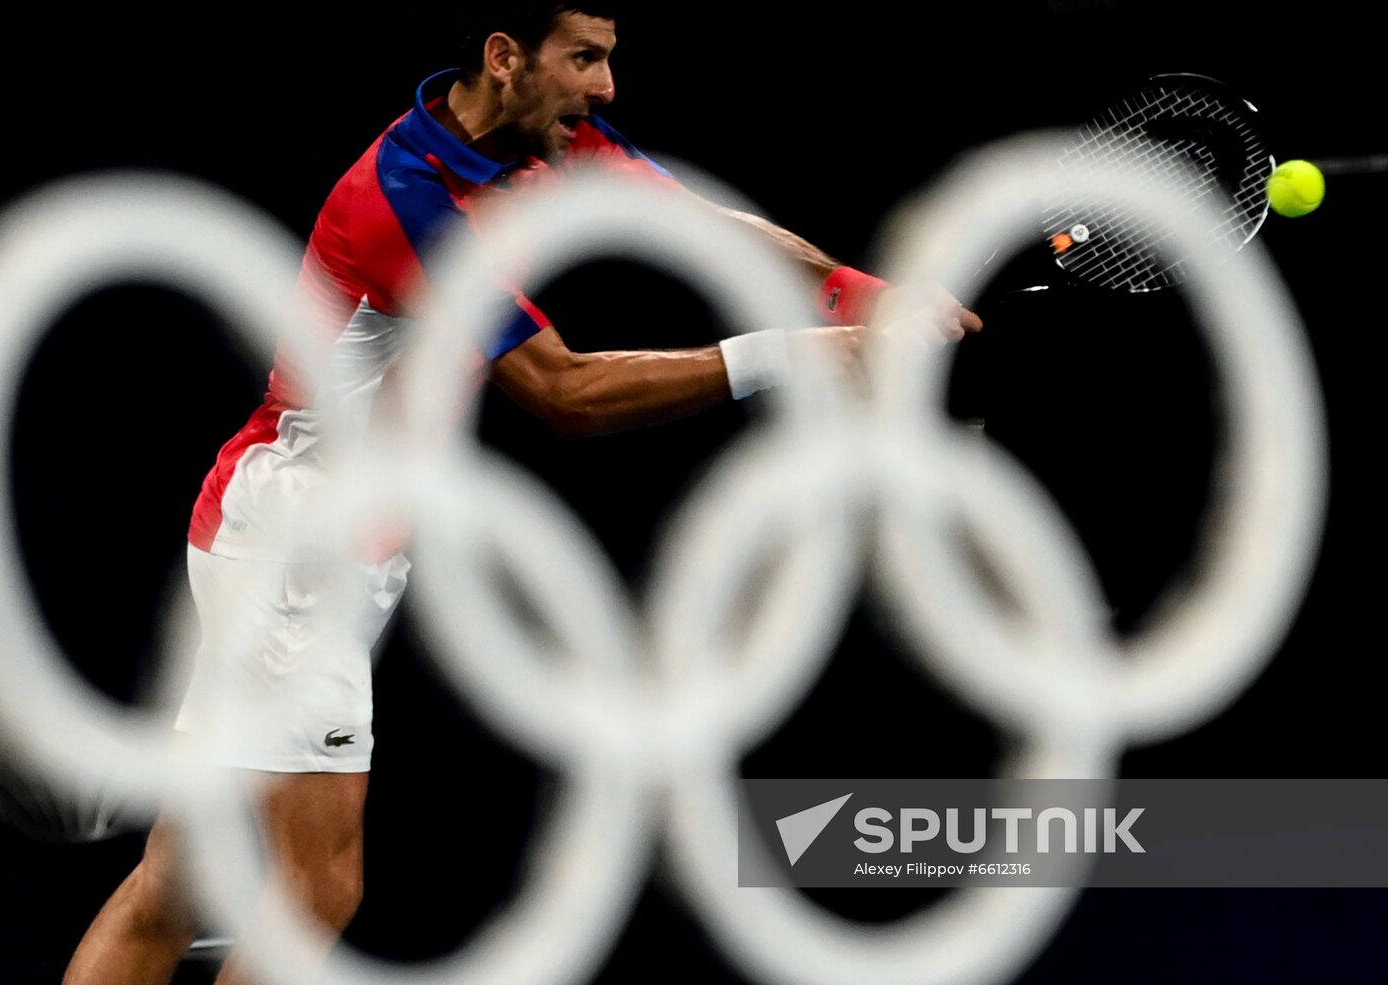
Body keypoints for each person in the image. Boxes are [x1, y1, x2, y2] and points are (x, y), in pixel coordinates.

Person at [61, 4, 981, 983]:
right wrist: (803, 355)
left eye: (608, 61)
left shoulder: (554, 145)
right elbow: (563, 392)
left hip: (295, 530)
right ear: (504, 58)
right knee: (312, 891)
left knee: (181, 881)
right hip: (300, 552)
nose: (606, 88)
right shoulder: (407, 198)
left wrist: (854, 289)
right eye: (583, 59)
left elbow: (701, 231)